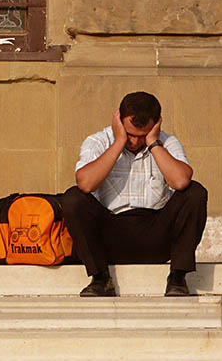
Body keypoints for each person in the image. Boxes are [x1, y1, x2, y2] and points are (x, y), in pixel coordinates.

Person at [61, 91, 208, 297]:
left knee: (195, 192)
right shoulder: (98, 141)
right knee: (73, 197)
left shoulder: (167, 142)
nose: (134, 141)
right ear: (118, 120)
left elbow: (181, 181)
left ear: (156, 125)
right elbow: (85, 183)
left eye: (141, 136)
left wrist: (153, 143)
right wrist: (118, 142)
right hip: (111, 233)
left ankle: (177, 276)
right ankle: (100, 277)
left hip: (155, 234)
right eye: (129, 134)